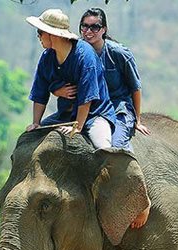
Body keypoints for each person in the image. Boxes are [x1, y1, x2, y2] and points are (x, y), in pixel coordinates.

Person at [53, 7, 149, 152]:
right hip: (87, 110)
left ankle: (129, 172)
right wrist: (56, 91)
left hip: (117, 109)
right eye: (84, 26)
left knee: (116, 149)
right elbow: (55, 77)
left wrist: (138, 120)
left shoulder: (119, 53)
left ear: (104, 29)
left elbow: (135, 87)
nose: (88, 31)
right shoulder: (74, 52)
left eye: (94, 27)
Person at [25, 8, 116, 150]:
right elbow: (39, 92)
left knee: (103, 149)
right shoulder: (47, 57)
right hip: (65, 115)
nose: (39, 37)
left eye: (40, 33)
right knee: (30, 139)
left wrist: (78, 126)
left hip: (94, 115)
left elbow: (87, 97)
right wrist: (36, 123)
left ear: (51, 34)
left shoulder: (85, 56)